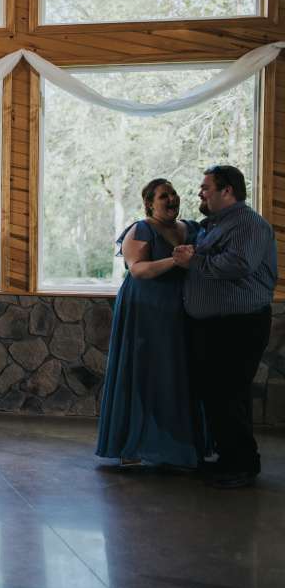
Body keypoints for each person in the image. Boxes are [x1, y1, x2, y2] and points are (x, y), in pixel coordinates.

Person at [174, 164, 277, 489]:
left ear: (227, 190)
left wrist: (193, 261)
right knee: (217, 395)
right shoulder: (217, 224)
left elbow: (239, 264)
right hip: (216, 327)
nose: (200, 193)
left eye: (206, 187)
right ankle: (228, 458)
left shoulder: (248, 224)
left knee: (229, 394)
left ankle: (243, 465)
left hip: (238, 326)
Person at [95, 178, 205, 470]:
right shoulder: (140, 229)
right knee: (142, 371)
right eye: (164, 196)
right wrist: (174, 261)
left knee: (178, 374)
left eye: (174, 194)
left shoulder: (192, 229)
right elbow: (138, 269)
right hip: (145, 309)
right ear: (149, 203)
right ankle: (131, 444)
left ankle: (180, 445)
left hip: (182, 310)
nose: (172, 199)